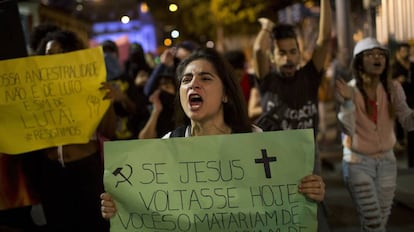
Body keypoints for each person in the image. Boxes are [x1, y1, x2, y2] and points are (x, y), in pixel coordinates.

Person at [101, 47, 326, 220]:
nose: (193, 85)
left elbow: (286, 194)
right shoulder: (168, 146)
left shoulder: (255, 142)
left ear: (226, 94)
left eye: (205, 78)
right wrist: (119, 207)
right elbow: (144, 203)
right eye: (186, 80)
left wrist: (309, 190)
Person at [35, 29, 116, 232]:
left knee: (93, 224)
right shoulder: (35, 91)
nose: (54, 58)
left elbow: (109, 131)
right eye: (49, 54)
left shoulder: (91, 85)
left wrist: (109, 102)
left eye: (60, 52)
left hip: (85, 169)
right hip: (52, 171)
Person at [336, 37, 414, 232]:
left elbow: (407, 120)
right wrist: (346, 103)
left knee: (380, 221)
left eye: (380, 55)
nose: (377, 58)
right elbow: (347, 129)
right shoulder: (350, 90)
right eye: (370, 55)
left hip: (387, 161)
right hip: (357, 162)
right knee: (372, 220)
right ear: (359, 61)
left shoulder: (393, 88)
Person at [391, 42, 414, 167]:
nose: (406, 53)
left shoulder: (412, 66)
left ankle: (411, 160)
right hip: (400, 101)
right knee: (401, 126)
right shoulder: (395, 66)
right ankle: (400, 143)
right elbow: (388, 82)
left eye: (407, 51)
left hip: (412, 99)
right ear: (399, 52)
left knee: (412, 130)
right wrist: (397, 80)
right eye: (403, 51)